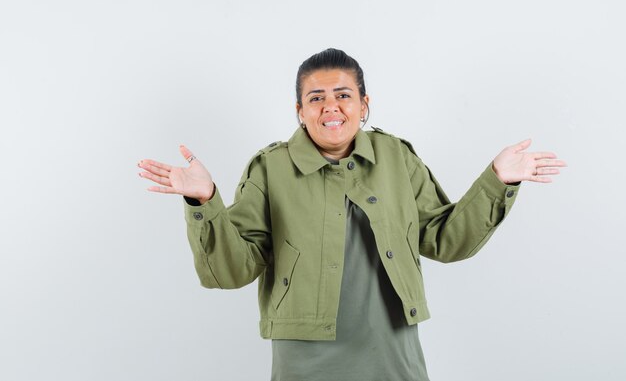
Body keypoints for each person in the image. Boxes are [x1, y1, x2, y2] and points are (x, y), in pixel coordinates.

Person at [137, 48, 567, 380]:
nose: (331, 107)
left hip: (392, 348)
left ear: (364, 104)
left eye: (343, 95)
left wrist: (497, 181)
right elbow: (231, 270)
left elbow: (445, 238)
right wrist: (204, 201)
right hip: (305, 354)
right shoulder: (270, 168)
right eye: (316, 97)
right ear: (300, 111)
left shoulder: (396, 158)